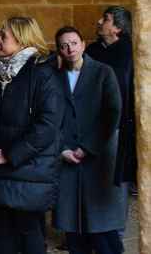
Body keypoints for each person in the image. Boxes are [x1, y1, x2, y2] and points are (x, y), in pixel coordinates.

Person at [0, 17, 62, 254]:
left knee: (29, 233)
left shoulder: (44, 74)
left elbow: (47, 125)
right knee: (1, 235)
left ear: (22, 40)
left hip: (27, 170)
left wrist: (10, 154)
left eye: (5, 36)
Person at [53, 26, 125, 254]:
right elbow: (48, 117)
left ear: (83, 45)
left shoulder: (103, 72)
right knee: (73, 228)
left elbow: (113, 112)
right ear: (59, 51)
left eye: (74, 43)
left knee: (102, 229)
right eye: (64, 45)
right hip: (67, 159)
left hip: (99, 156)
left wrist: (88, 147)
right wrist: (62, 149)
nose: (70, 48)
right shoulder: (53, 77)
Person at [86, 6, 136, 189]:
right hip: (92, 120)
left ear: (117, 28)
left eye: (105, 19)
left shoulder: (129, 51)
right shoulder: (92, 50)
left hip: (122, 120)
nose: (99, 22)